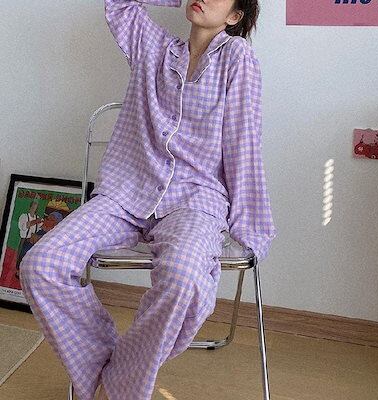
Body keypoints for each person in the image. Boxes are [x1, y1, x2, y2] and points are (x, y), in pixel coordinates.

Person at [19, 1, 277, 399]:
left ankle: (118, 382)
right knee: (40, 264)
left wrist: (250, 225)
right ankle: (110, 368)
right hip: (127, 192)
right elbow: (118, 4)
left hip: (194, 200)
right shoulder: (153, 47)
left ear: (234, 16)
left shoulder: (237, 57)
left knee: (184, 277)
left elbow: (244, 143)